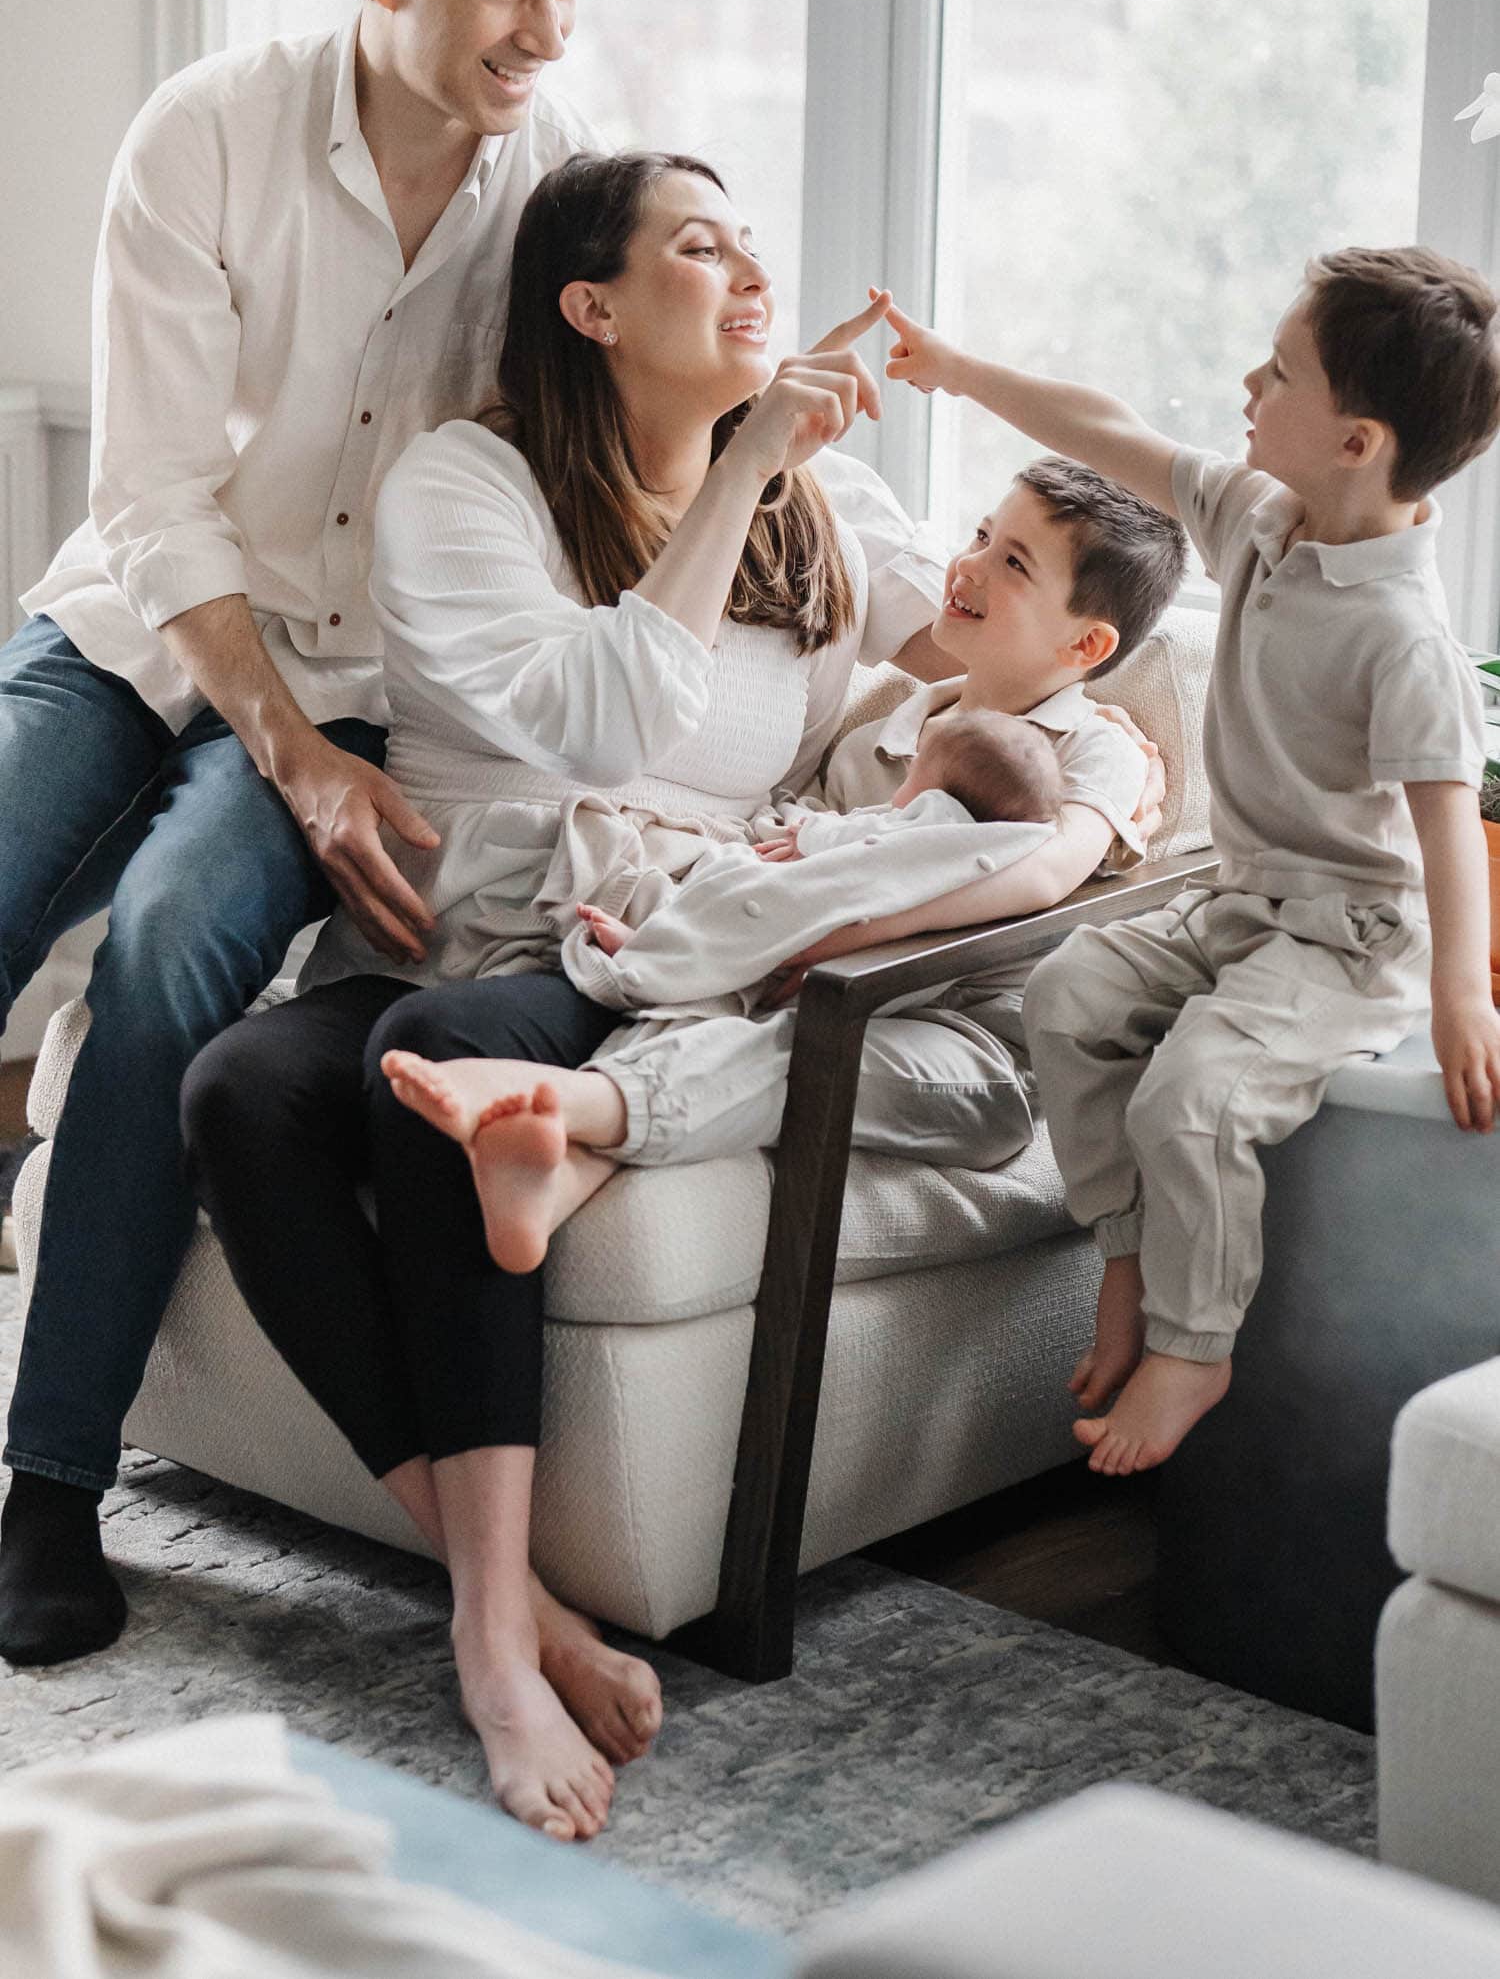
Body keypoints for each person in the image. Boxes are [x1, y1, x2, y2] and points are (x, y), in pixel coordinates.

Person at [180, 148, 963, 1842]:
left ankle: (482, 1639)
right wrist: (750, 459)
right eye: (701, 246)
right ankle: (526, 1603)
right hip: (482, 930)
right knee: (243, 1087)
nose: (751, 270)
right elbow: (602, 725)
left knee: (432, 1063)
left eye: (754, 237)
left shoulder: (836, 508)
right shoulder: (472, 486)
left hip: (673, 953)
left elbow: (1027, 645)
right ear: (590, 306)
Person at [0, 0, 599, 1668]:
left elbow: (649, 413)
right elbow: (155, 494)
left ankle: (47, 1486)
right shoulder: (208, 137)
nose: (543, 28)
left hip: (358, 685)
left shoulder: (553, 184)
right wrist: (287, 752)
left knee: (176, 952)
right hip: (146, 631)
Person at [880, 249, 1500, 1478]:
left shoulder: (1402, 637)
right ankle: (1127, 1253)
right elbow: (1104, 431)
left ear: (1356, 441)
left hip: (1348, 934)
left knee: (1194, 1095)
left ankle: (1195, 1342)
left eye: (1281, 372)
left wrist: (1461, 994)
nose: (1248, 381)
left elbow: (1443, 825)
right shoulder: (1262, 519)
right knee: (1070, 996)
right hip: (1241, 900)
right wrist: (954, 372)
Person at [376, 459, 1186, 1276]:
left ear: (1085, 644)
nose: (969, 565)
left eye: (1013, 563)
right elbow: (784, 863)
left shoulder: (1099, 750)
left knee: (797, 1052)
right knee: (697, 1000)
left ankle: (566, 1102)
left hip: (967, 1049)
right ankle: (563, 1171)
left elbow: (1046, 874)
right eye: (981, 535)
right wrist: (692, 929)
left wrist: (849, 938)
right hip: (814, 995)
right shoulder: (885, 734)